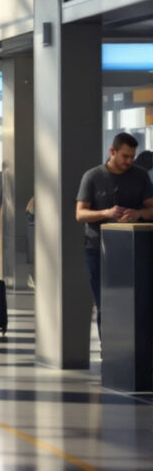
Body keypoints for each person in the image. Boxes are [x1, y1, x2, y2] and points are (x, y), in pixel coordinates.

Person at [74, 132, 152, 326]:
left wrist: (138, 213)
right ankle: (107, 343)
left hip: (134, 249)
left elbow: (151, 209)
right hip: (98, 249)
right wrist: (106, 212)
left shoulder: (140, 176)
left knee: (136, 303)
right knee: (104, 303)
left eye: (132, 156)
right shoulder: (92, 177)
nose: (129, 161)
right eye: (125, 156)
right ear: (112, 151)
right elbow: (80, 214)